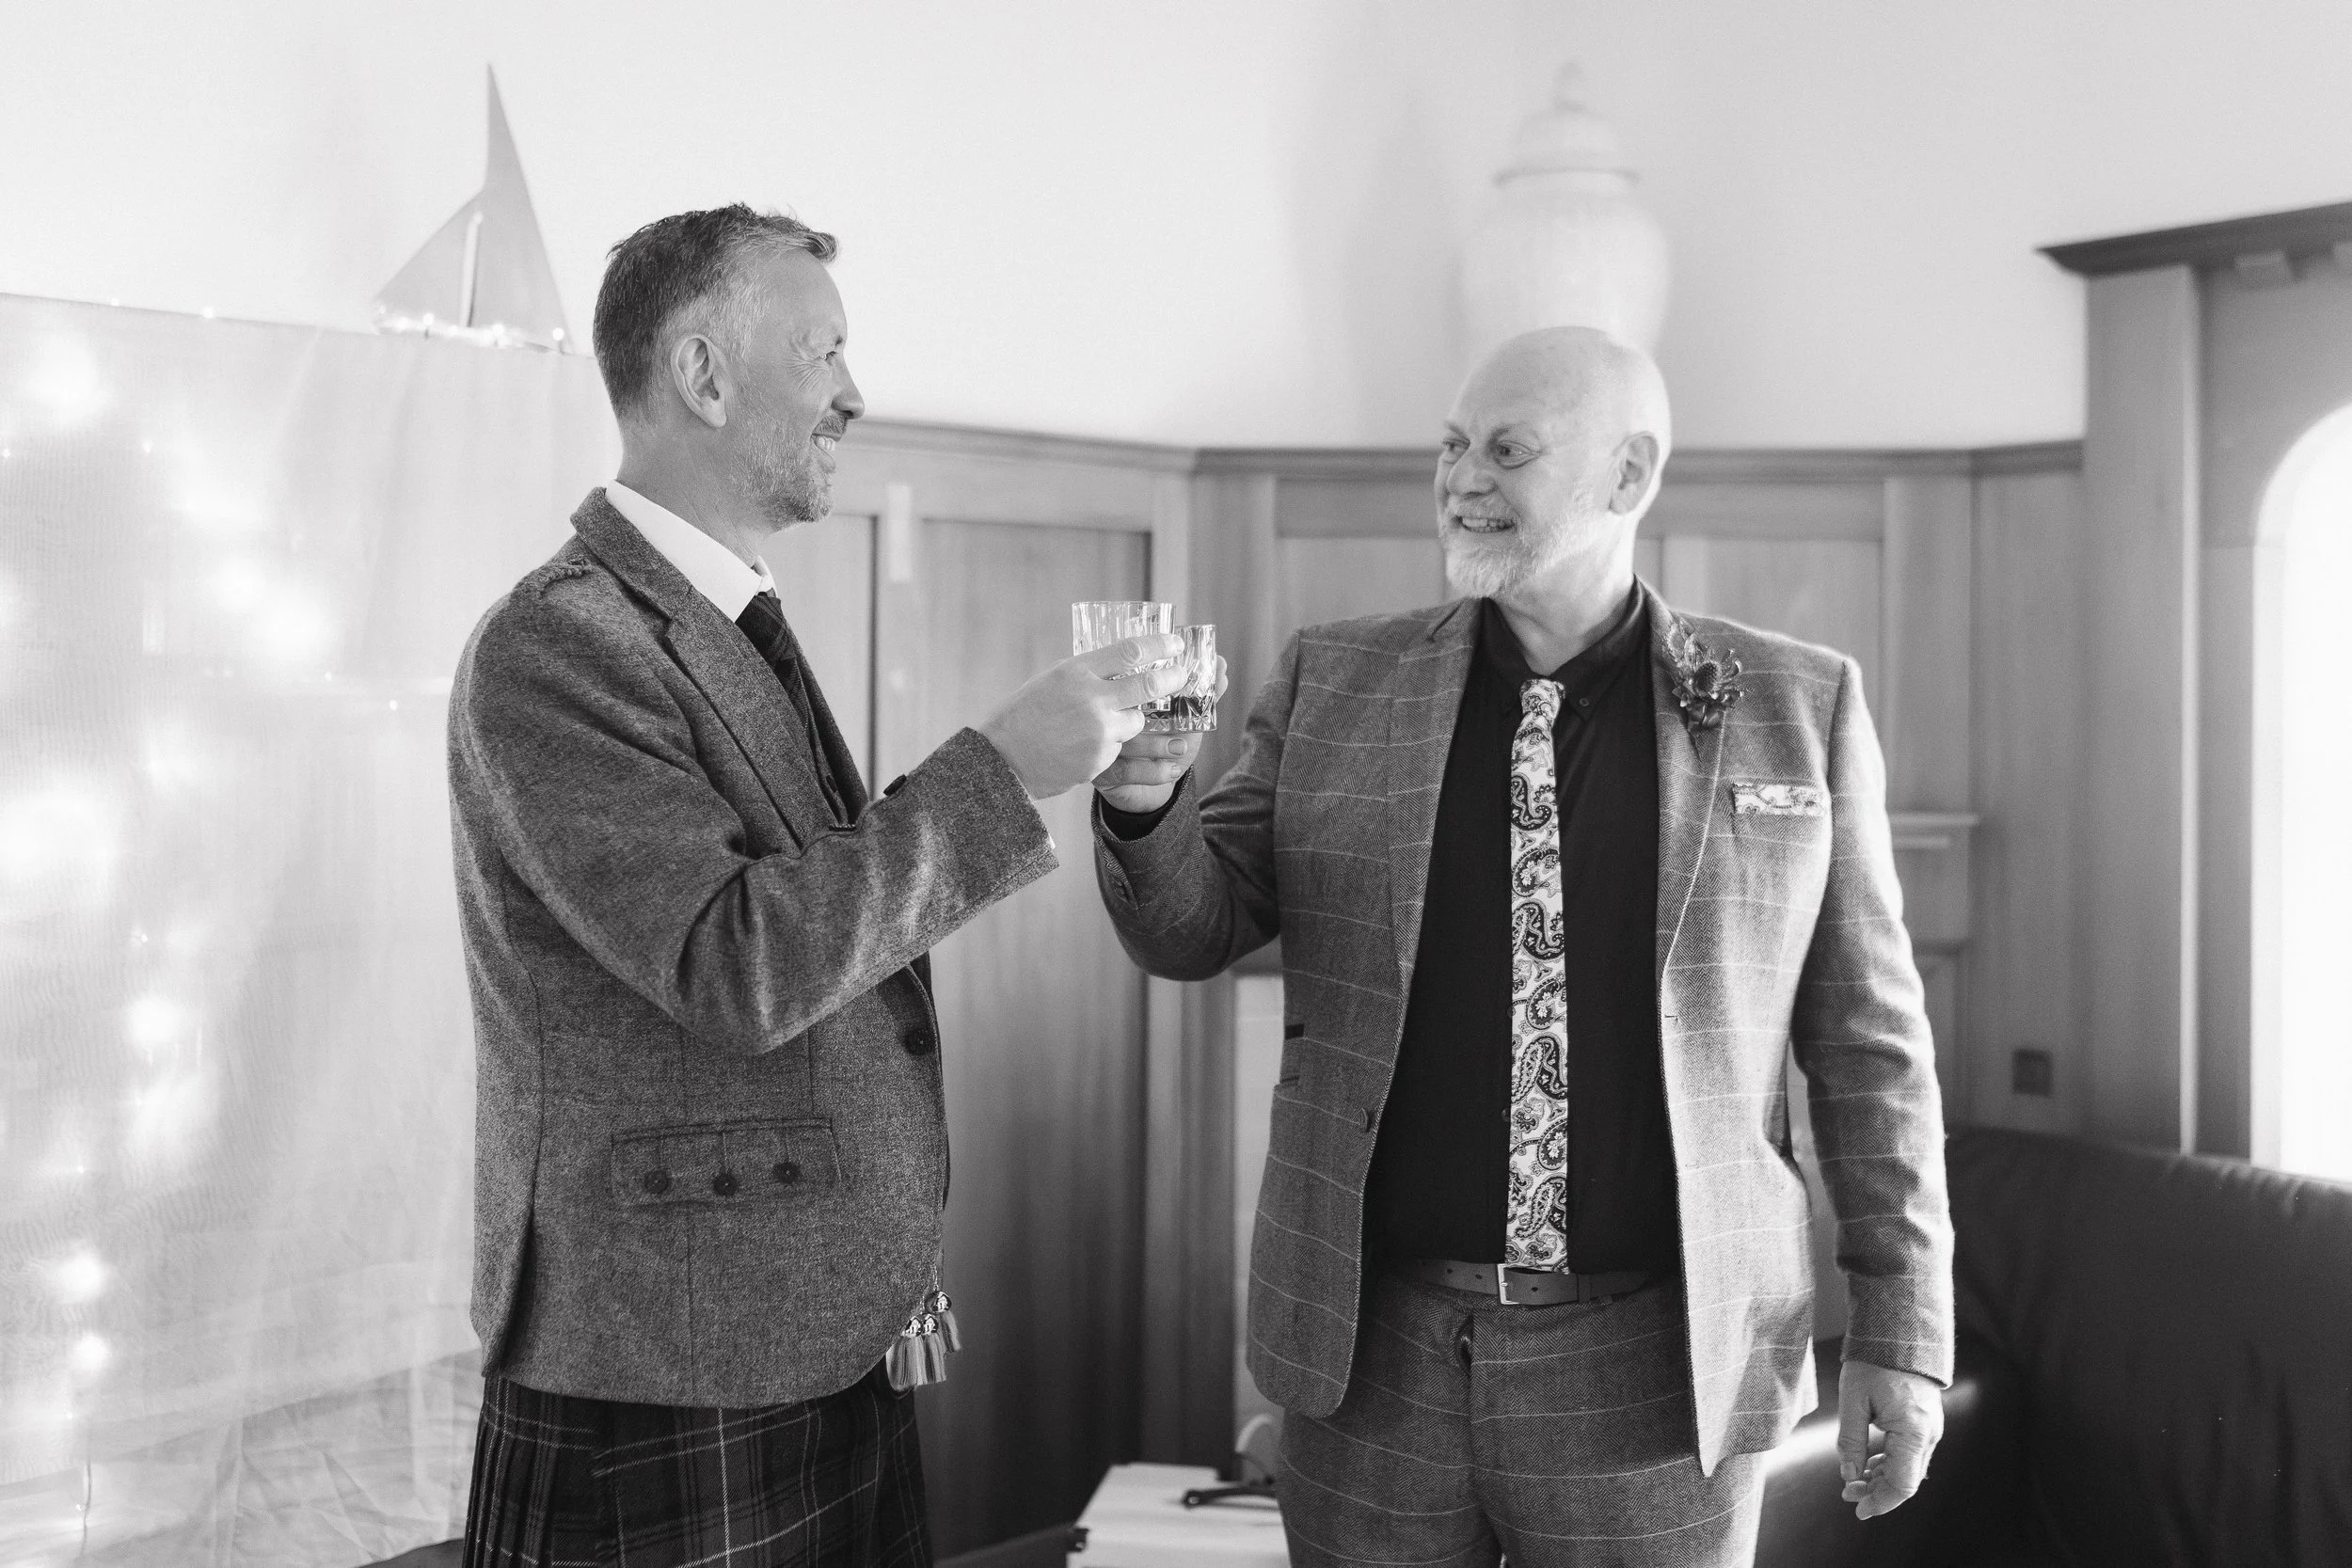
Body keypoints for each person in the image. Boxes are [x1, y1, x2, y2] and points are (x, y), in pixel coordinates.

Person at [1089, 325, 1954, 1567]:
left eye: (1506, 449)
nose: (1461, 478)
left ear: (1628, 475)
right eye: (1450, 447)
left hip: (1658, 1378)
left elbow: (1872, 1051)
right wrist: (1143, 802)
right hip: (1369, 1356)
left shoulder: (1794, 708)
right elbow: (1191, 924)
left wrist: (1904, 1333)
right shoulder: (1336, 682)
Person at [446, 204, 1185, 1567]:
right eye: (826, 350)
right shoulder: (558, 647)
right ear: (705, 374)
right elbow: (741, 961)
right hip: (665, 1364)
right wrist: (1003, 770)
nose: (857, 391)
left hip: (807, 1338)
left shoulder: (717, 620)